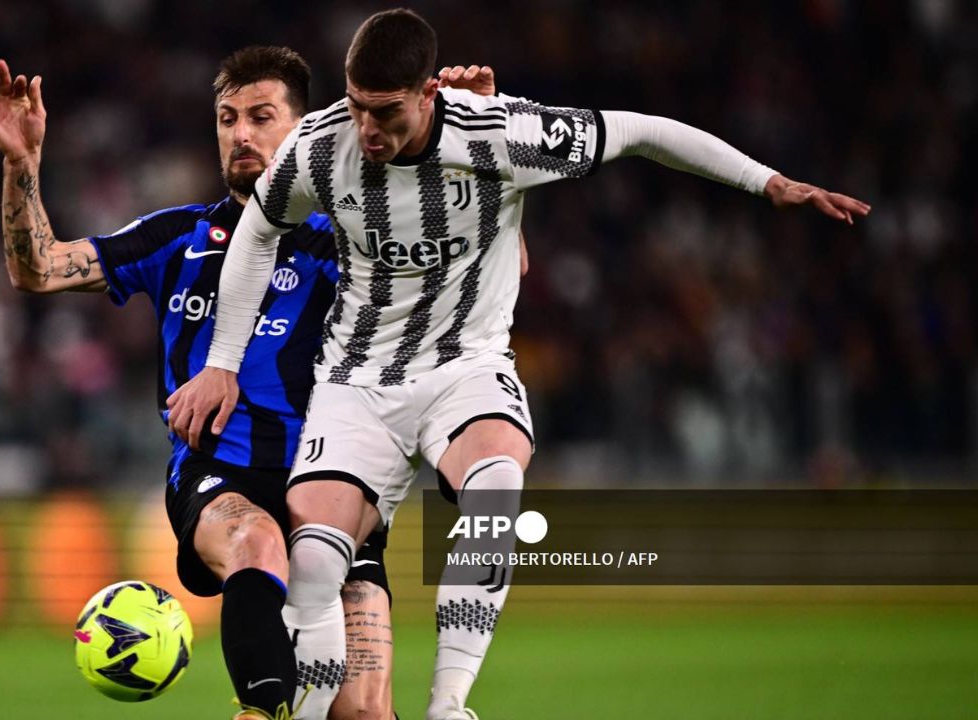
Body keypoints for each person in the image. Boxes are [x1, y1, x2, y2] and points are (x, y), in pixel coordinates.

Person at [165, 9, 871, 720]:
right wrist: (223, 363)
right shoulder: (321, 146)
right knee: (315, 563)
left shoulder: (500, 134)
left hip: (463, 366)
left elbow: (643, 131)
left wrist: (767, 182)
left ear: (427, 96)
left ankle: (449, 706)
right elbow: (256, 233)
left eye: (384, 112)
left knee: (495, 489)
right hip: (357, 378)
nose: (367, 130)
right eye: (355, 107)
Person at [0, 48, 501, 720]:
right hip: (220, 475)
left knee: (365, 712)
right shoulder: (179, 237)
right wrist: (22, 164)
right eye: (227, 118)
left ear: (304, 128)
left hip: (337, 484)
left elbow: (483, 266)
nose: (241, 133)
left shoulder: (355, 238)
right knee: (258, 542)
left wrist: (476, 134)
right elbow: (39, 269)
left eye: (260, 116)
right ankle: (262, 711)